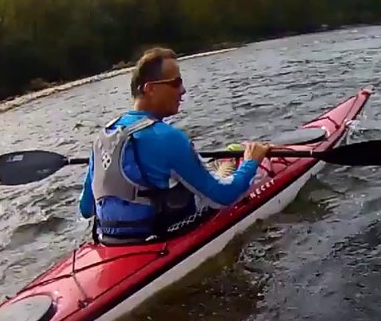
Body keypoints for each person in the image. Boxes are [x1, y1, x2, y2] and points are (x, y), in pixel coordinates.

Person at [78, 46, 273, 244]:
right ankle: (232, 162)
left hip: (110, 240)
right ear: (150, 88)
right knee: (238, 178)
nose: (183, 90)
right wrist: (250, 163)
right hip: (156, 237)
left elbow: (86, 209)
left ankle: (224, 164)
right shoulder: (166, 137)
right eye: (176, 83)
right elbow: (222, 198)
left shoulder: (104, 136)